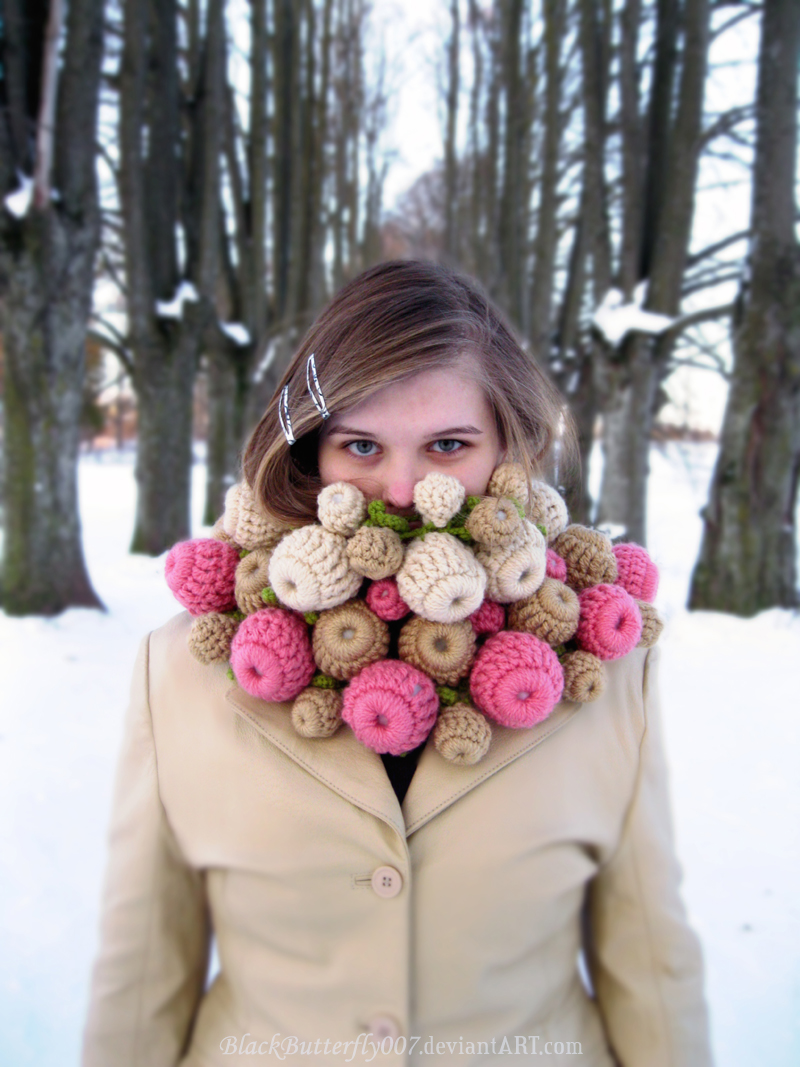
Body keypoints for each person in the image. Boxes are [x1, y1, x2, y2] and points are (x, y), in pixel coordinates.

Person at [82, 260, 713, 1066]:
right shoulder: (183, 669)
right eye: (362, 445)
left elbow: (651, 962)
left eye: (449, 444)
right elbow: (141, 969)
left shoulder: (609, 671)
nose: (406, 489)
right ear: (310, 451)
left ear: (510, 447)